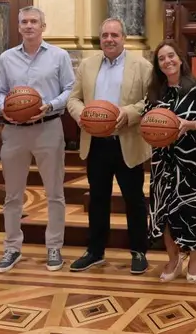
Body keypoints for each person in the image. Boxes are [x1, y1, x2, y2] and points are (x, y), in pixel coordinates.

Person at [67, 17, 153, 275]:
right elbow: (74, 98)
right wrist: (83, 115)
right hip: (96, 143)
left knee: (134, 200)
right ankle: (95, 251)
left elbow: (149, 101)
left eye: (114, 35)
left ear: (123, 38)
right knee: (98, 199)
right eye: (105, 35)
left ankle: (139, 251)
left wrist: (128, 112)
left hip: (126, 141)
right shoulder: (87, 64)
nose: (109, 40)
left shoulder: (142, 65)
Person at [0, 7, 75, 273]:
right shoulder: (7, 58)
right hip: (14, 131)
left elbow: (70, 89)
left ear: (43, 26)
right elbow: (1, 91)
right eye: (24, 22)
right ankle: (12, 248)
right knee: (12, 194)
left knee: (54, 192)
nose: (29, 26)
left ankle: (54, 246)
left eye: (34, 22)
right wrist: (4, 106)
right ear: (19, 27)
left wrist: (50, 105)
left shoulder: (59, 55)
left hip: (48, 128)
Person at [143, 40, 196, 282]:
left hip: (191, 160)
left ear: (180, 59)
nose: (167, 61)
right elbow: (145, 123)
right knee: (162, 211)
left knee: (191, 210)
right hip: (162, 160)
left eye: (171, 56)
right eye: (161, 58)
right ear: (158, 65)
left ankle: (194, 258)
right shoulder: (154, 93)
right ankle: (173, 257)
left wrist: (189, 125)